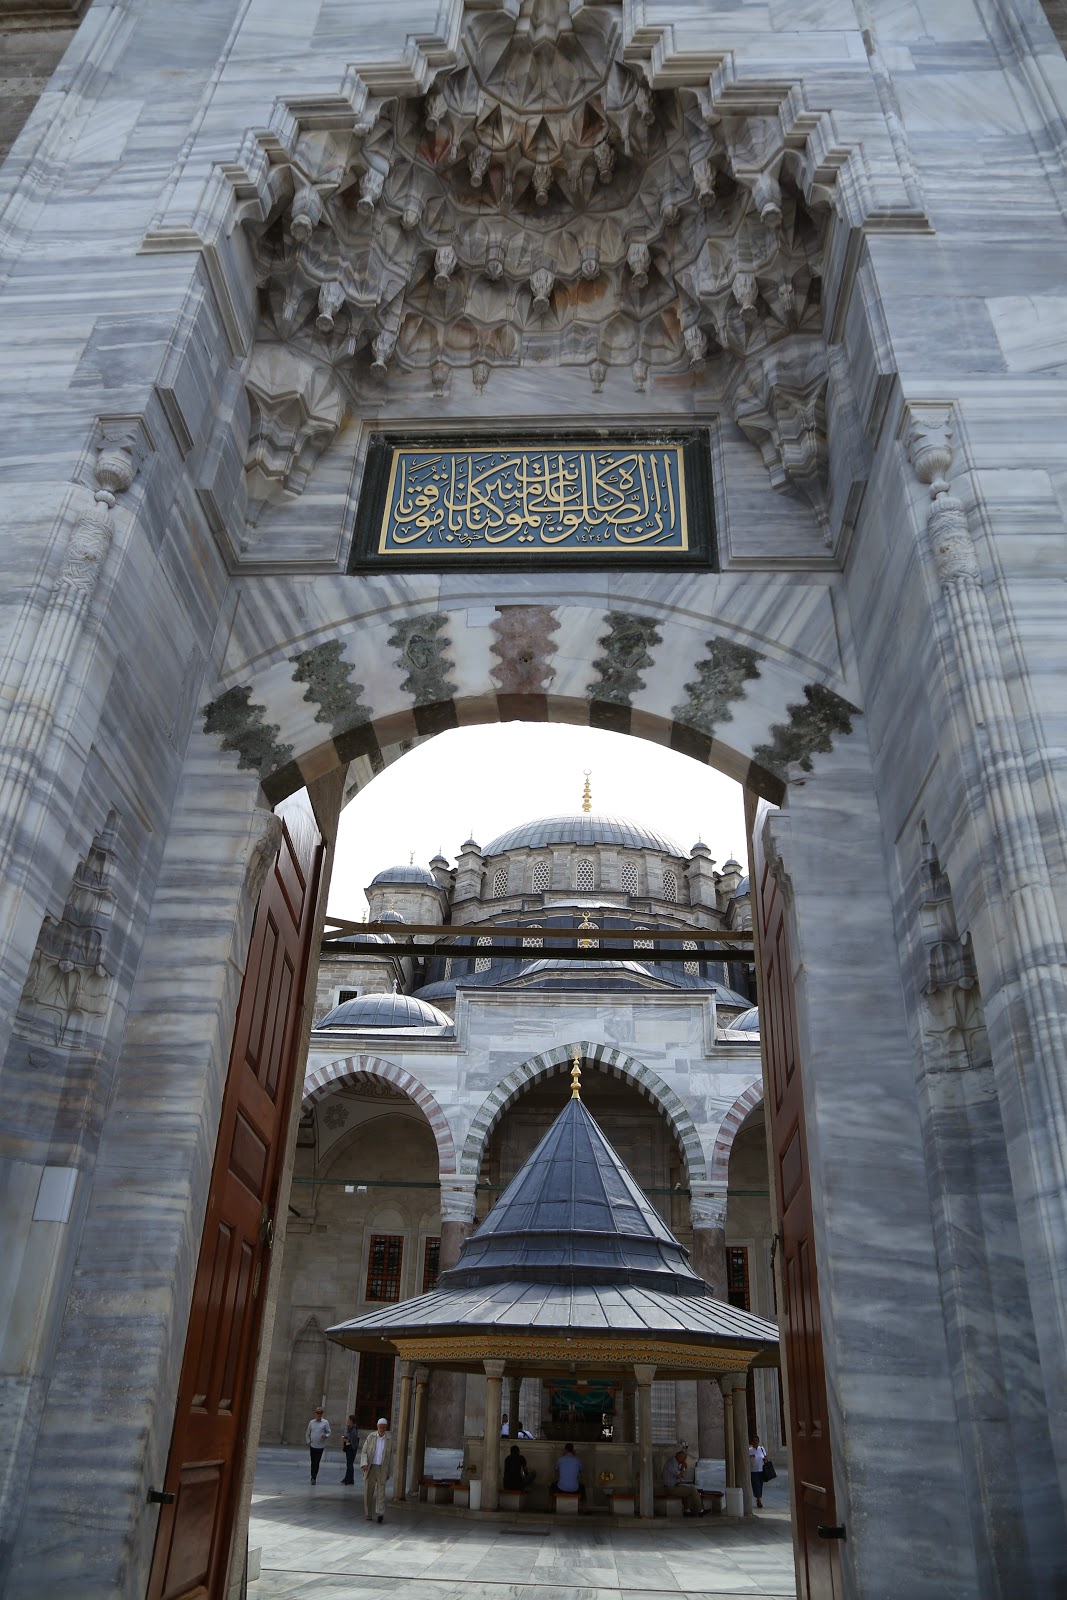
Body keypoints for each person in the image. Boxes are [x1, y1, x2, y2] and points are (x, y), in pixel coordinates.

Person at [360, 1416, 393, 1523]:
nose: (382, 1429)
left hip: (382, 1468)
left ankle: (380, 1513)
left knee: (381, 1492)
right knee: (368, 1491)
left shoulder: (389, 1439)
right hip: (371, 1467)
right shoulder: (371, 1437)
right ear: (377, 1426)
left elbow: (391, 1457)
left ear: (386, 1427)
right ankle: (368, 1514)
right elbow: (364, 1451)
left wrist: (389, 1472)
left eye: (384, 1427)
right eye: (380, 1426)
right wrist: (364, 1463)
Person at [662, 1450, 705, 1515]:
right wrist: (682, 1467)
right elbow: (679, 1476)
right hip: (670, 1489)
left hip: (674, 1486)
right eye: (684, 1459)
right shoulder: (672, 1463)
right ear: (680, 1457)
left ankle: (687, 1510)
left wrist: (683, 1468)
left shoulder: (674, 1463)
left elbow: (679, 1475)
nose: (684, 1461)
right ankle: (700, 1510)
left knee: (685, 1489)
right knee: (692, 1489)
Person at [305, 1406, 330, 1484]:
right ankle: (312, 1476)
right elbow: (308, 1432)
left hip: (320, 1446)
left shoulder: (325, 1422)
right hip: (313, 1445)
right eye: (318, 1413)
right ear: (315, 1413)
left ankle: (314, 1477)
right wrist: (309, 1441)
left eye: (321, 1413)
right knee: (313, 1462)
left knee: (317, 1462)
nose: (319, 1415)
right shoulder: (311, 1422)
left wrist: (325, 1435)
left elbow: (329, 1432)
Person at [748, 1436, 767, 1508]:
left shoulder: (761, 1449)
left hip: (761, 1469)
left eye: (756, 1441)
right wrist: (750, 1457)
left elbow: (765, 1457)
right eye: (754, 1441)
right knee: (756, 1484)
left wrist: (765, 1459)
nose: (755, 1442)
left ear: (758, 1442)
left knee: (760, 1484)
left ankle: (759, 1497)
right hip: (753, 1470)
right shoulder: (749, 1450)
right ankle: (758, 1499)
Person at [340, 1414, 359, 1485]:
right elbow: (348, 1437)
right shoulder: (349, 1428)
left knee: (350, 1464)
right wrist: (345, 1437)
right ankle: (348, 1479)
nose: (348, 1421)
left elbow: (353, 1440)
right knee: (349, 1464)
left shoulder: (354, 1429)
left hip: (352, 1448)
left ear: (351, 1420)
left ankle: (349, 1479)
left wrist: (346, 1440)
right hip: (348, 1448)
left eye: (349, 1419)